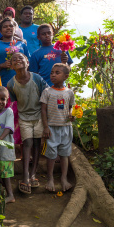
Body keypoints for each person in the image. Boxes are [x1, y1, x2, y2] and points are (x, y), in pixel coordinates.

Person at [7, 52, 49, 194]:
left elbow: (46, 94)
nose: (18, 60)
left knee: (37, 143)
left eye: (21, 58)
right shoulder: (11, 83)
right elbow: (14, 101)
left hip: (39, 116)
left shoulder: (36, 78)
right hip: (24, 118)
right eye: (14, 60)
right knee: (27, 143)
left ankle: (33, 174)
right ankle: (25, 175)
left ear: (27, 62)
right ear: (11, 66)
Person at [40, 63, 75, 192]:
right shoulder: (47, 91)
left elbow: (70, 109)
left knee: (65, 154)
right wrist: (45, 127)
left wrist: (72, 116)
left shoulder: (69, 93)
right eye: (52, 72)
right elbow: (43, 111)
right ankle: (50, 179)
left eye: (57, 73)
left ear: (66, 76)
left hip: (66, 127)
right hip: (52, 128)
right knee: (51, 155)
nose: (53, 75)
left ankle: (64, 178)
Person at [0, 17, 30, 88]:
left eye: (11, 26)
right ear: (0, 31)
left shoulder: (22, 44)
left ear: (15, 29)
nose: (8, 28)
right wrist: (1, 65)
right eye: (5, 27)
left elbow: (29, 63)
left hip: (22, 83)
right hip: (3, 83)